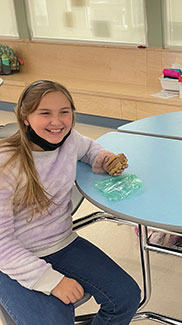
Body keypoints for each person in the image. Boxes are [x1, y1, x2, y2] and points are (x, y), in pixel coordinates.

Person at [0, 80, 141, 324]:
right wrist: (51, 281)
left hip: (62, 243)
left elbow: (88, 149)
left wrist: (105, 159)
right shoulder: (6, 163)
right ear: (25, 118)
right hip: (11, 259)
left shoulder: (69, 140)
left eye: (65, 112)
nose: (57, 122)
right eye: (45, 113)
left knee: (126, 297)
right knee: (55, 319)